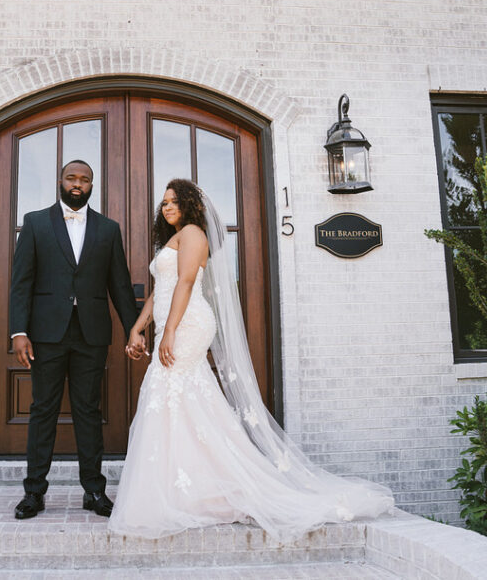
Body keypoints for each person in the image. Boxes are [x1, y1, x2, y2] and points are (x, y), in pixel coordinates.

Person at [109, 179, 394, 541]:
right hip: (172, 323)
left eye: (174, 202)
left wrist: (168, 333)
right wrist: (137, 328)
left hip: (188, 325)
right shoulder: (173, 238)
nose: (166, 208)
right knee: (178, 400)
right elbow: (159, 292)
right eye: (163, 203)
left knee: (171, 392)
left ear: (191, 206)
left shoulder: (194, 233)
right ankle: (190, 487)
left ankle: (204, 487)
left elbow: (183, 284)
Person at [9, 160, 138, 520]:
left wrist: (133, 329)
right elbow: (21, 282)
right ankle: (34, 492)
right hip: (45, 336)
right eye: (72, 178)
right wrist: (19, 331)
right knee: (42, 410)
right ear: (61, 181)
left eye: (85, 179)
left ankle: (94, 491)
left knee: (88, 411)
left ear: (92, 185)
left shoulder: (109, 229)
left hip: (91, 335)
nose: (78, 184)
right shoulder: (35, 223)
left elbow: (120, 286)